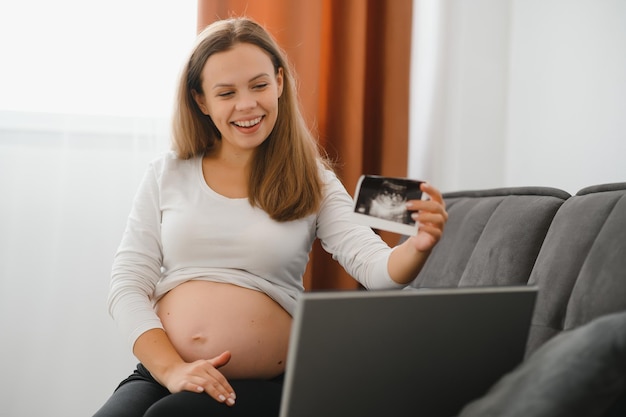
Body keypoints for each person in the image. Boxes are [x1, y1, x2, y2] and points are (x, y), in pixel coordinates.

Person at [93, 16, 448, 417]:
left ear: (279, 82)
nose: (247, 105)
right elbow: (126, 284)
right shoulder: (167, 172)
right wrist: (173, 369)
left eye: (259, 85)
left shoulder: (313, 180)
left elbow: (375, 268)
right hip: (164, 371)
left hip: (268, 385)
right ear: (201, 100)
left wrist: (417, 247)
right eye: (226, 92)